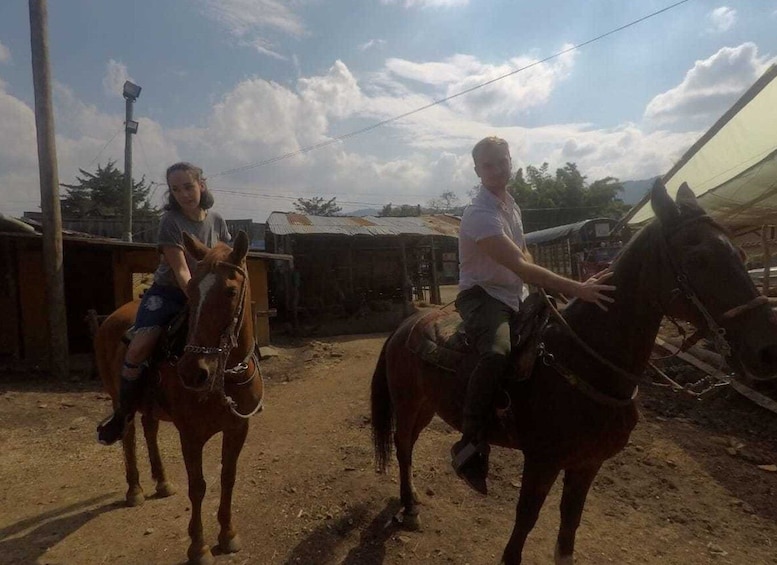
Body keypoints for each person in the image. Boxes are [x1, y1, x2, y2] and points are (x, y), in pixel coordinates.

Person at [451, 137, 615, 494]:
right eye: (488, 165)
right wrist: (579, 289)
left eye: (501, 162)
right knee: (497, 352)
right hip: (483, 296)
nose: (496, 170)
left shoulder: (511, 205)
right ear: (477, 171)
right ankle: (470, 441)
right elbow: (521, 266)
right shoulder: (479, 214)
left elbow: (525, 254)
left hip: (515, 293)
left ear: (511, 162)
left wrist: (551, 289)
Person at [97, 162, 231, 445]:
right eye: (176, 189)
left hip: (205, 293)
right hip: (169, 293)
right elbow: (181, 271)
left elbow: (227, 262)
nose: (183, 194)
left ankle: (242, 394)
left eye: (188, 186)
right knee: (138, 347)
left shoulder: (217, 220)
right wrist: (197, 299)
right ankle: (123, 414)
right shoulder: (170, 221)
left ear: (201, 185)